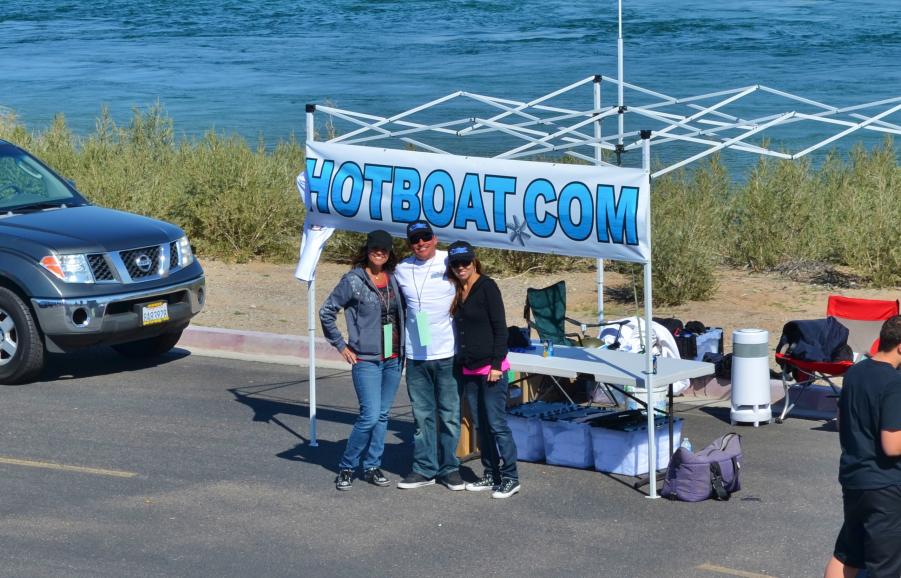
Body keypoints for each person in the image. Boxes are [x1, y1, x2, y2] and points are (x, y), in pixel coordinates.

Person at [319, 229, 405, 491]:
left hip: (393, 356)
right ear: (367, 251)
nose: (379, 253)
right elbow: (326, 311)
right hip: (366, 358)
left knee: (382, 415)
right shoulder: (353, 280)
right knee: (369, 416)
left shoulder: (394, 278)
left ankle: (372, 466)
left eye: (384, 249)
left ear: (389, 253)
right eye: (375, 249)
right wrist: (341, 345)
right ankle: (347, 466)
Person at [824, 315, 901, 578]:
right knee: (885, 566)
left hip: (854, 478)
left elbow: (841, 420)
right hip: (884, 486)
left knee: (847, 554)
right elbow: (892, 444)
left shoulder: (856, 371)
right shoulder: (894, 383)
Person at [393, 221, 464, 490]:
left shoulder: (450, 261)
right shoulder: (402, 269)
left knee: (449, 415)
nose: (420, 243)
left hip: (447, 352)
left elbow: (473, 282)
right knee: (422, 417)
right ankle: (424, 469)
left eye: (425, 238)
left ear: (435, 239)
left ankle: (450, 468)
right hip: (416, 356)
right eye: (415, 240)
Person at [447, 241, 520, 499]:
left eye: (465, 262)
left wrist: (497, 365)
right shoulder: (458, 289)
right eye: (456, 264)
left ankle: (511, 477)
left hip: (491, 369)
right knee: (481, 425)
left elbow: (501, 328)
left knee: (497, 424)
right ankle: (492, 473)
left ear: (474, 261)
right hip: (469, 368)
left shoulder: (487, 287)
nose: (461, 267)